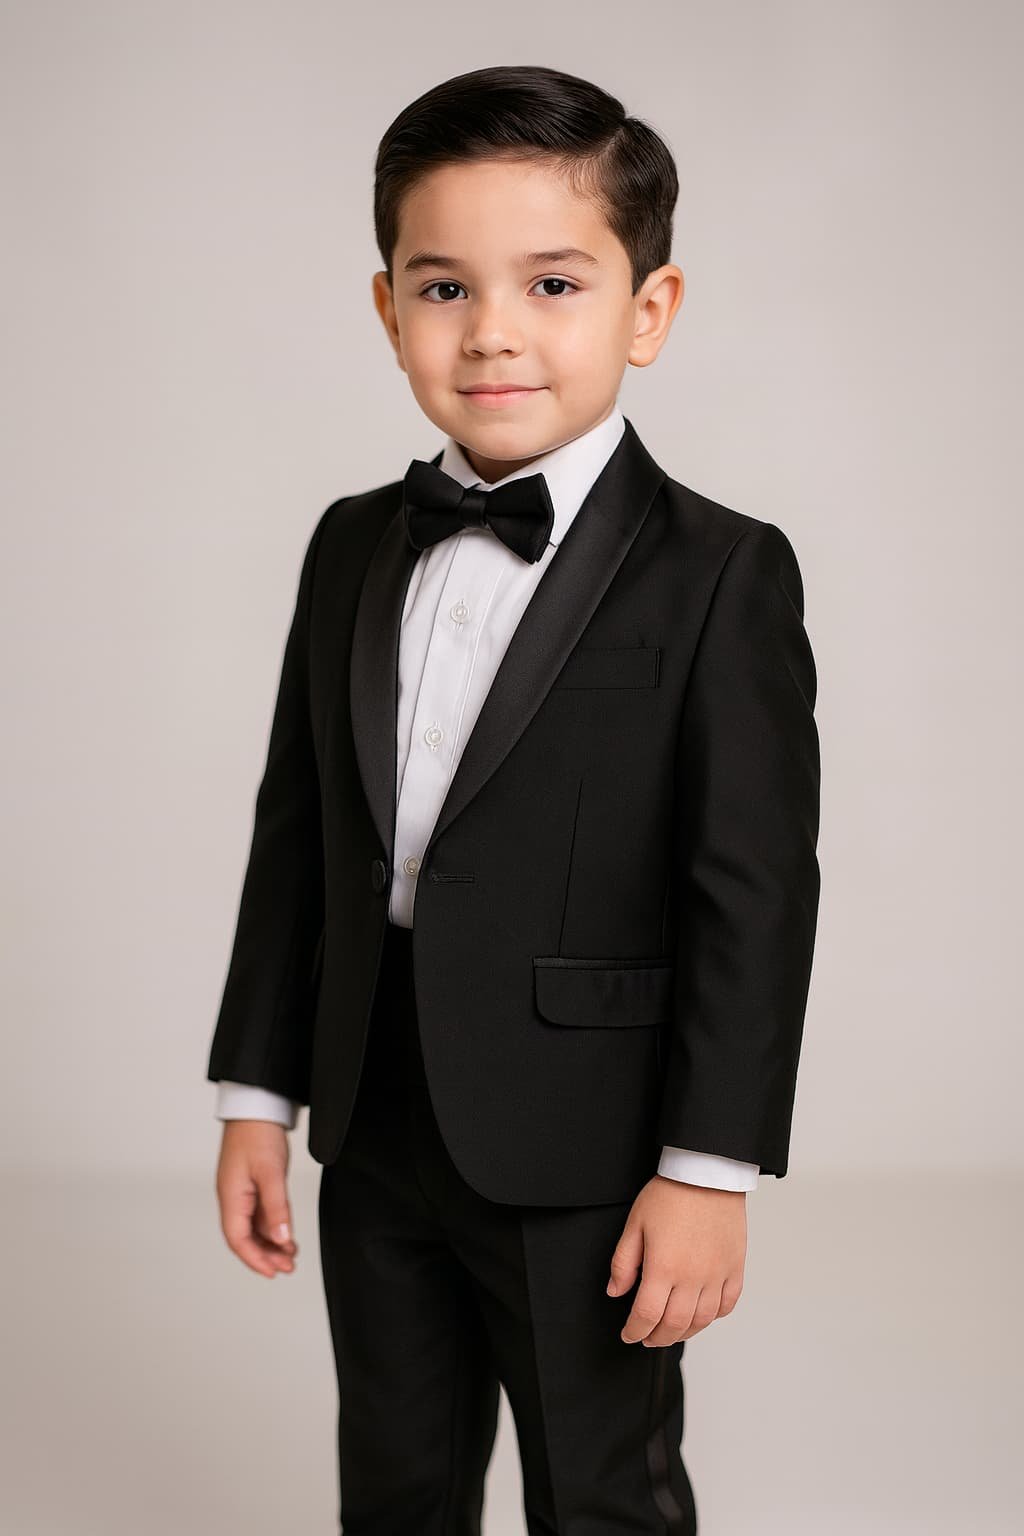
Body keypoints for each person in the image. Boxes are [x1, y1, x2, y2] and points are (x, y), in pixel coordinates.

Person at [205, 63, 821, 1535]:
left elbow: (752, 892)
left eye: (552, 284)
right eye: (443, 288)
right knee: (396, 1482)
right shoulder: (352, 545)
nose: (491, 331)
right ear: (387, 310)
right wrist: (256, 1094)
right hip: (374, 1118)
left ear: (648, 310)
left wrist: (708, 1170)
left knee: (601, 1491)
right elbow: (299, 833)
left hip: (587, 1148)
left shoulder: (721, 571)